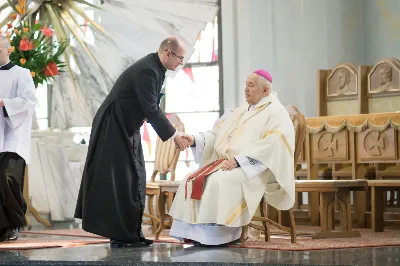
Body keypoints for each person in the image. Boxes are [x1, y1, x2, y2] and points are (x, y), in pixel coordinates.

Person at [74, 36, 190, 248]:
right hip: (113, 126)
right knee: (121, 181)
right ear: (167, 53)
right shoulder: (148, 69)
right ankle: (122, 236)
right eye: (180, 58)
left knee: (133, 178)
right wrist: (174, 136)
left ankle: (130, 234)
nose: (181, 63)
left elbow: (146, 104)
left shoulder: (155, 68)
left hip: (125, 125)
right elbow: (151, 108)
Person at [169, 70, 295, 246]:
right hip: (225, 164)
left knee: (220, 181)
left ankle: (220, 235)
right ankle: (196, 234)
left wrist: (239, 160)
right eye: (246, 84)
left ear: (265, 90)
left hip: (253, 168)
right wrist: (195, 139)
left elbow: (273, 144)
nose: (246, 89)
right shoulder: (240, 110)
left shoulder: (276, 112)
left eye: (251, 85)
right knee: (191, 178)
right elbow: (216, 134)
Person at [0, 35, 38, 242]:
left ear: (8, 51)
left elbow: (29, 100)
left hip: (13, 137)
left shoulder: (21, 74)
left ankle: (13, 225)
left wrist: (5, 103)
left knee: (7, 178)